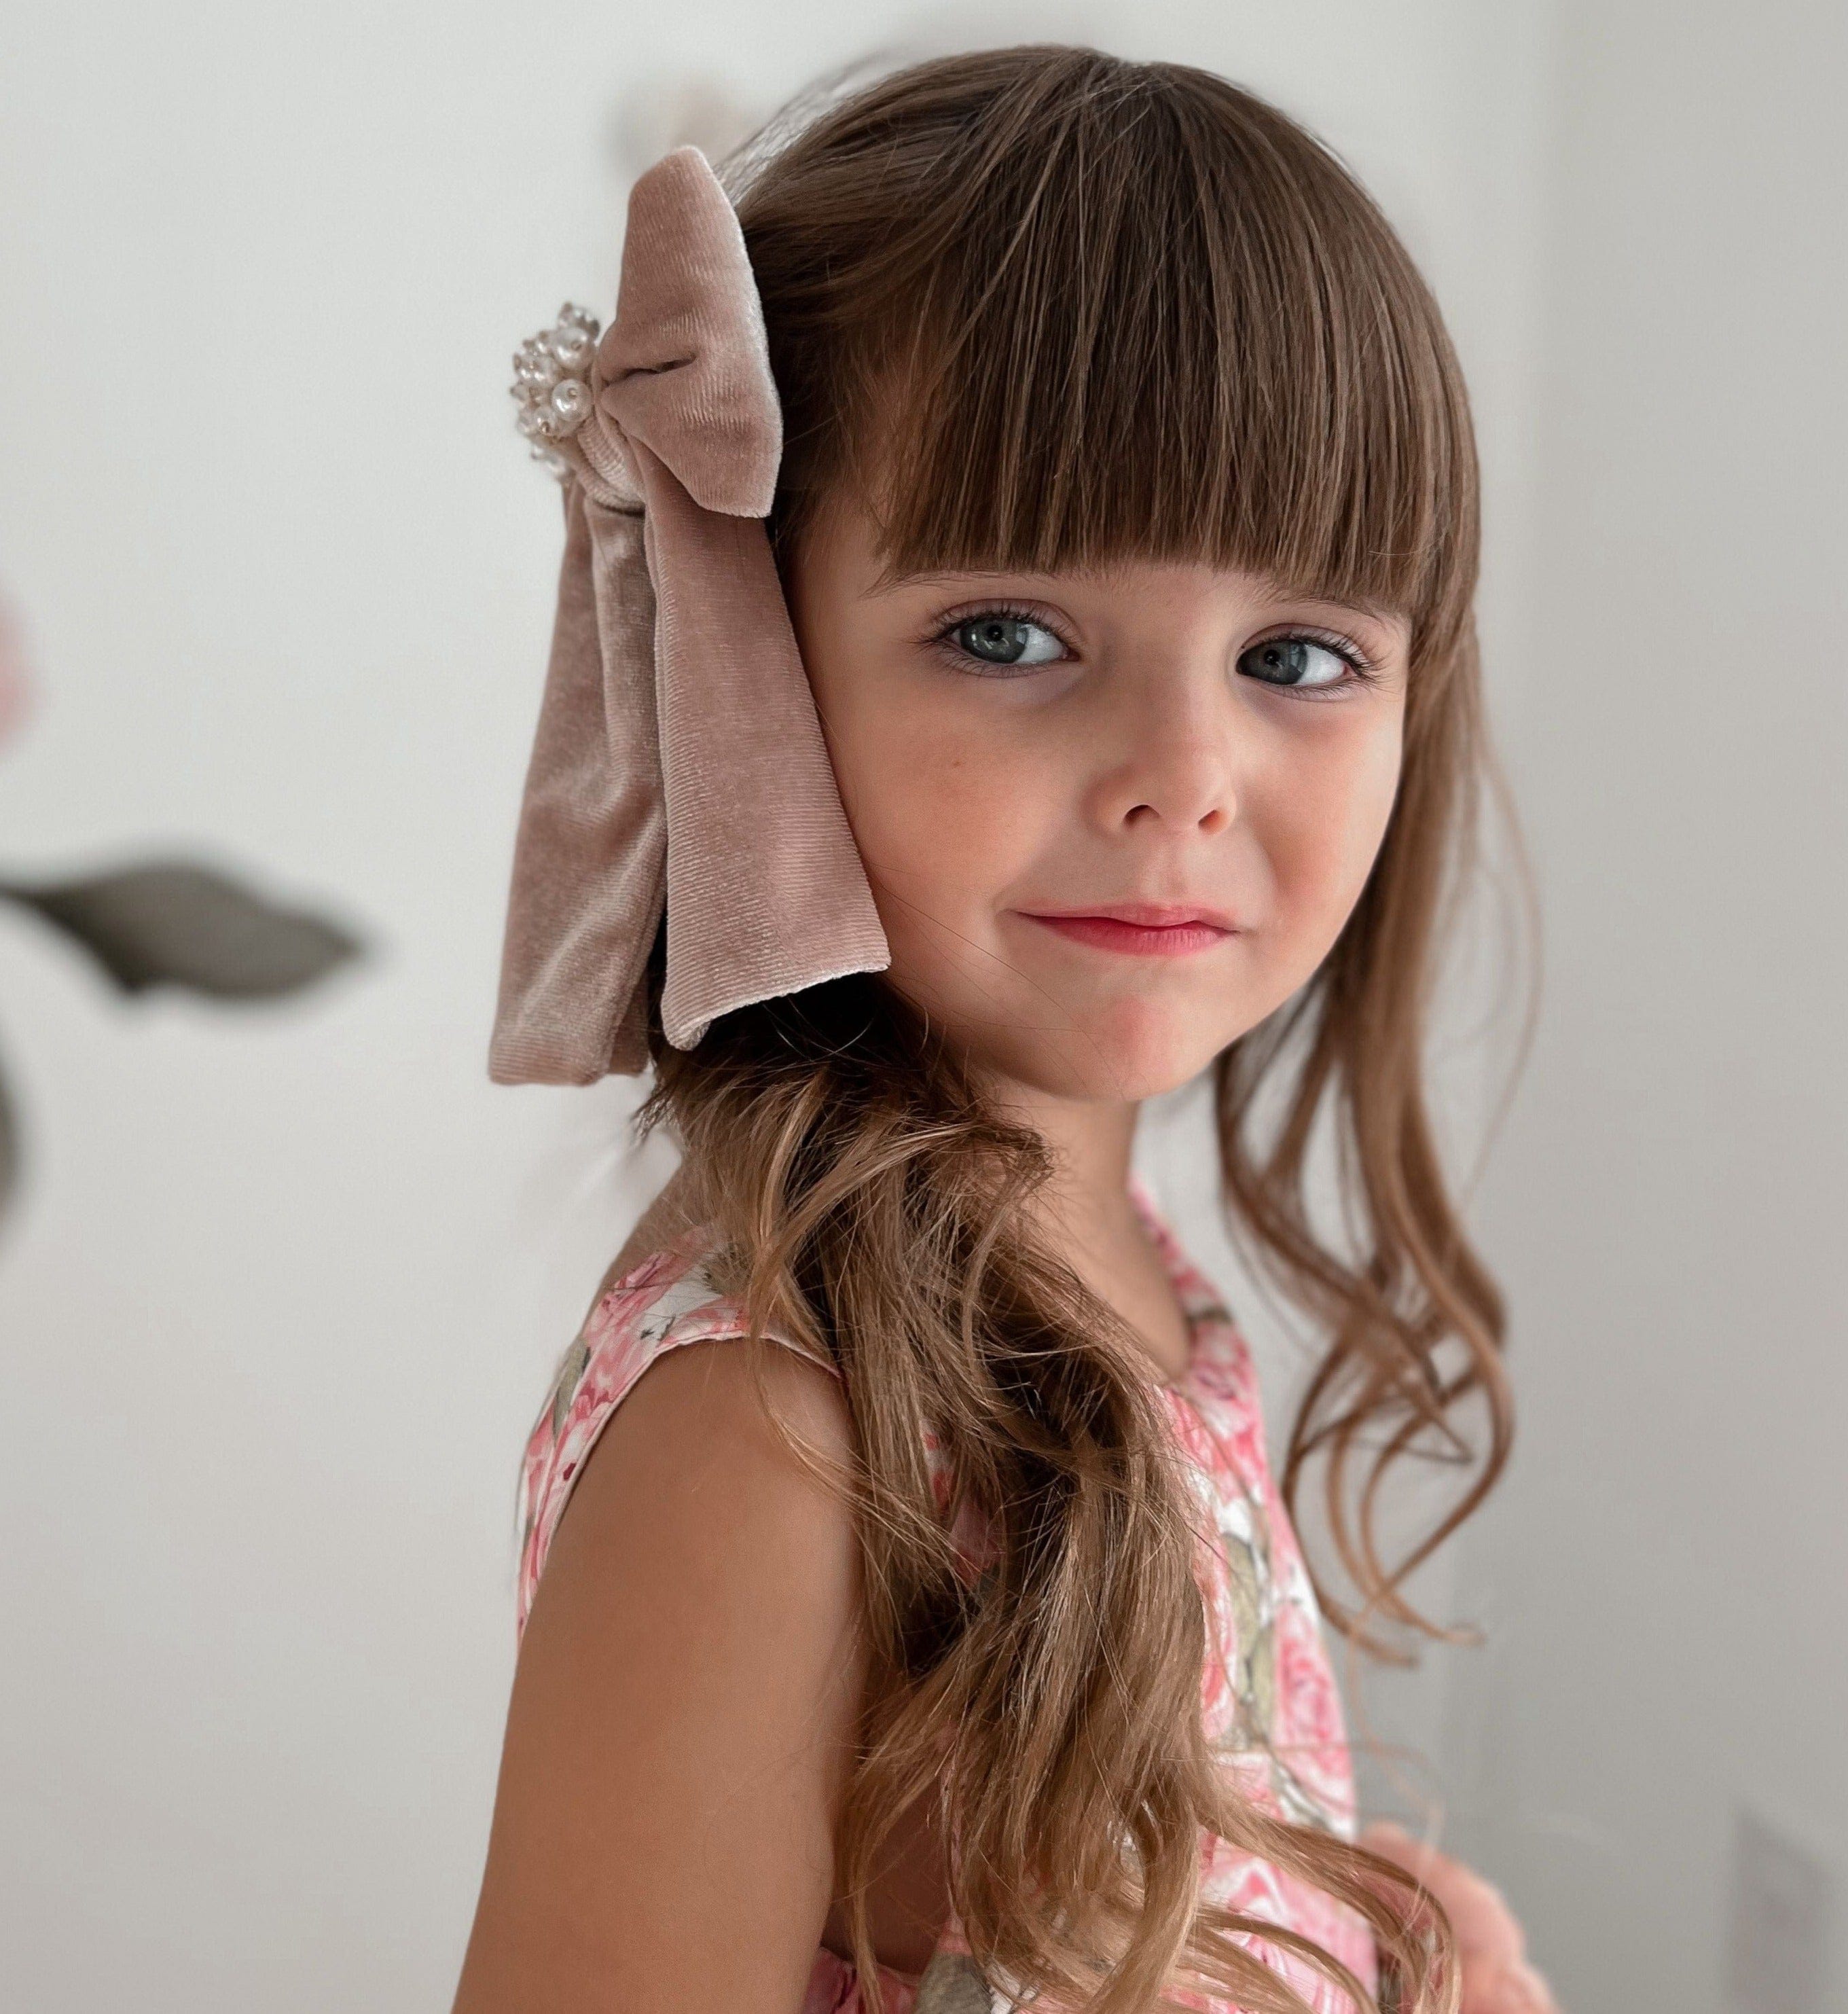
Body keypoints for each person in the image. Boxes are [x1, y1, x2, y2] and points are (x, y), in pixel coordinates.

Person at [454, 44, 1555, 2014]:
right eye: (1013, 637)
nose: (1182, 776)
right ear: (765, 668)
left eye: (1298, 658)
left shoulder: (1111, 1265)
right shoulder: (777, 1449)